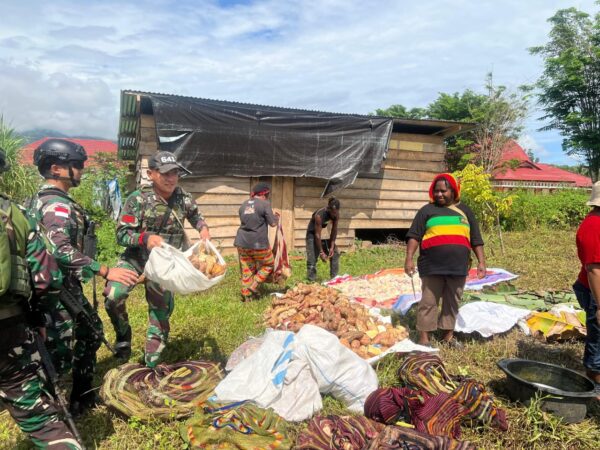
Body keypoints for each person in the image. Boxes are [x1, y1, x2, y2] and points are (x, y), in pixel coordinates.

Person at [29, 138, 139, 416]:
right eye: (76, 165)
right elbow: (60, 249)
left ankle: (81, 395)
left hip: (57, 287)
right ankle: (55, 409)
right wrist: (104, 270)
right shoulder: (57, 206)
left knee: (89, 333)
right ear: (56, 168)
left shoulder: (41, 201)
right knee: (57, 352)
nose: (81, 170)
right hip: (56, 290)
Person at [0, 147, 82, 449]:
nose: (81, 170)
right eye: (77, 165)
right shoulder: (16, 215)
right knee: (40, 419)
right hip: (9, 329)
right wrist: (38, 316)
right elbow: (47, 278)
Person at [103, 151, 210, 368]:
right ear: (151, 174)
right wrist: (145, 237)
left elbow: (197, 217)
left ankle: (150, 362)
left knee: (160, 311)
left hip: (165, 264)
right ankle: (123, 337)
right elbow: (122, 234)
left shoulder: (184, 198)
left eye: (175, 173)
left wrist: (204, 230)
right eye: (165, 174)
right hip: (136, 259)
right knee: (114, 296)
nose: (171, 178)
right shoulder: (138, 199)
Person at [404, 173, 486, 347]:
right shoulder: (426, 211)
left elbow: (476, 239)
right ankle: (424, 338)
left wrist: (481, 262)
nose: (439, 194)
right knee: (428, 302)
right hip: (432, 266)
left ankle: (447, 336)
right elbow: (414, 236)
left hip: (458, 267)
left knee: (452, 301)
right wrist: (409, 258)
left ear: (453, 191)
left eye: (443, 191)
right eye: (436, 191)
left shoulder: (465, 211)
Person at [573, 181, 600, 385]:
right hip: (594, 290)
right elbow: (594, 270)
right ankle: (594, 374)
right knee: (598, 332)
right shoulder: (593, 226)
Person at [234, 182, 279, 301]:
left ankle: (246, 294)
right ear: (265, 194)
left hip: (242, 243)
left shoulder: (244, 205)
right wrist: (276, 218)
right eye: (268, 194)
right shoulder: (265, 204)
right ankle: (254, 286)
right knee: (269, 264)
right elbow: (273, 223)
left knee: (247, 268)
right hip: (258, 244)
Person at [306, 197, 340, 281]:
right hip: (313, 235)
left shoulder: (336, 215)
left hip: (325, 235)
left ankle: (334, 278)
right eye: (333, 212)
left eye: (336, 212)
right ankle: (311, 280)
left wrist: (331, 247)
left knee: (335, 253)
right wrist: (321, 252)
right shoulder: (319, 215)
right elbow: (317, 235)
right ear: (329, 209)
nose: (334, 215)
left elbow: (334, 231)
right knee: (312, 259)